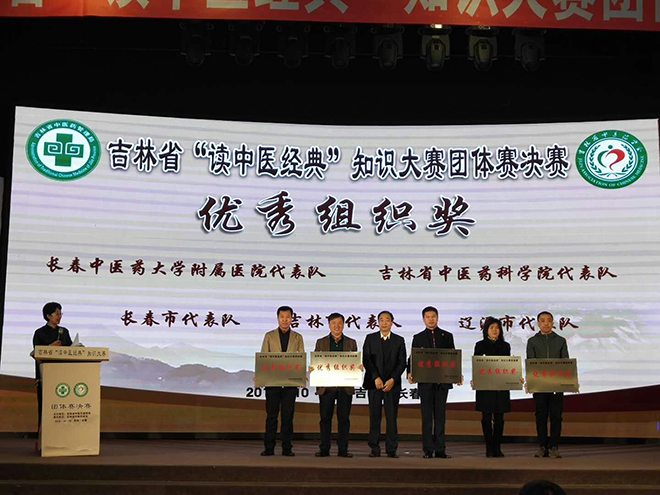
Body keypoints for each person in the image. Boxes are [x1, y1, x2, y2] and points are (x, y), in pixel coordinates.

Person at [407, 306, 460, 459]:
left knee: (440, 417)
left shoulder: (447, 336)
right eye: (428, 317)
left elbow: (452, 357)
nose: (431, 319)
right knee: (426, 418)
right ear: (423, 319)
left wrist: (457, 375)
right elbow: (413, 358)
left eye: (433, 316)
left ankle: (440, 449)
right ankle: (428, 450)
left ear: (437, 318)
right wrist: (410, 372)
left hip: (442, 384)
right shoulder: (418, 337)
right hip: (425, 384)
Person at [310, 313, 361, 458]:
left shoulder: (351, 342)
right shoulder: (321, 342)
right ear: (329, 325)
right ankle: (324, 449)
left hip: (345, 387)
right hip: (327, 387)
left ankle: (343, 450)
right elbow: (317, 362)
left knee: (344, 419)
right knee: (325, 419)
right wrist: (313, 368)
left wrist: (358, 367)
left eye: (339, 323)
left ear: (344, 325)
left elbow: (354, 363)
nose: (337, 326)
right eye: (333, 323)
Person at [260, 305, 305, 457]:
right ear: (278, 318)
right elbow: (264, 357)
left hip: (290, 384)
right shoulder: (269, 336)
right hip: (272, 383)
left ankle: (287, 448)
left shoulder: (298, 337)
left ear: (292, 318)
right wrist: (260, 377)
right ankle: (269, 448)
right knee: (271, 416)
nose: (285, 320)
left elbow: (301, 358)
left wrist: (301, 377)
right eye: (282, 317)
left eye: (288, 317)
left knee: (288, 417)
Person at [362, 310, 407, 458]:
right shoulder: (370, 338)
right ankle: (374, 448)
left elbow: (402, 363)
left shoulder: (399, 340)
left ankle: (391, 449)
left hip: (392, 385)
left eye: (387, 320)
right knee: (374, 417)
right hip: (374, 384)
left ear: (392, 322)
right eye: (381, 320)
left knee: (392, 418)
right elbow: (367, 360)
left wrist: (393, 379)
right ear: (378, 322)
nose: (384, 323)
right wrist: (376, 377)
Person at [526, 311, 569, 459]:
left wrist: (570, 382)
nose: (546, 323)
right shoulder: (532, 341)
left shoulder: (561, 341)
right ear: (538, 323)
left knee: (556, 416)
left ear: (552, 323)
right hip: (539, 385)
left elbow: (566, 362)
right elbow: (530, 363)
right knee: (541, 416)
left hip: (557, 385)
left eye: (549, 320)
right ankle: (542, 446)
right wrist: (530, 382)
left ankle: (554, 446)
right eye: (543, 320)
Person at [472, 316, 511, 457]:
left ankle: (497, 447)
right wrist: (475, 379)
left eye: (497, 328)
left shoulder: (505, 346)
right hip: (485, 387)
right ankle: (489, 447)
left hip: (501, 386)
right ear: (486, 330)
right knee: (486, 417)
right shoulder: (480, 345)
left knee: (499, 418)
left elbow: (508, 366)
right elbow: (477, 366)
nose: (495, 330)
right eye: (492, 328)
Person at [33, 302, 72, 433]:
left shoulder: (64, 332)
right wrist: (51, 347)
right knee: (45, 406)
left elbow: (71, 350)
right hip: (46, 376)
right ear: (48, 316)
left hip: (63, 375)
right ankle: (43, 434)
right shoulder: (39, 333)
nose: (59, 317)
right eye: (57, 314)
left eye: (61, 314)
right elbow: (36, 354)